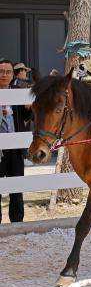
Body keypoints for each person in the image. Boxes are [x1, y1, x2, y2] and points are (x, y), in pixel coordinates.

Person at [0, 59, 32, 223]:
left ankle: (17, 223)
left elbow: (27, 116)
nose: (4, 75)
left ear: (13, 75)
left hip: (16, 148)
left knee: (17, 189)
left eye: (8, 72)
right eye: (1, 71)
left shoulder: (19, 92)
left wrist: (29, 107)